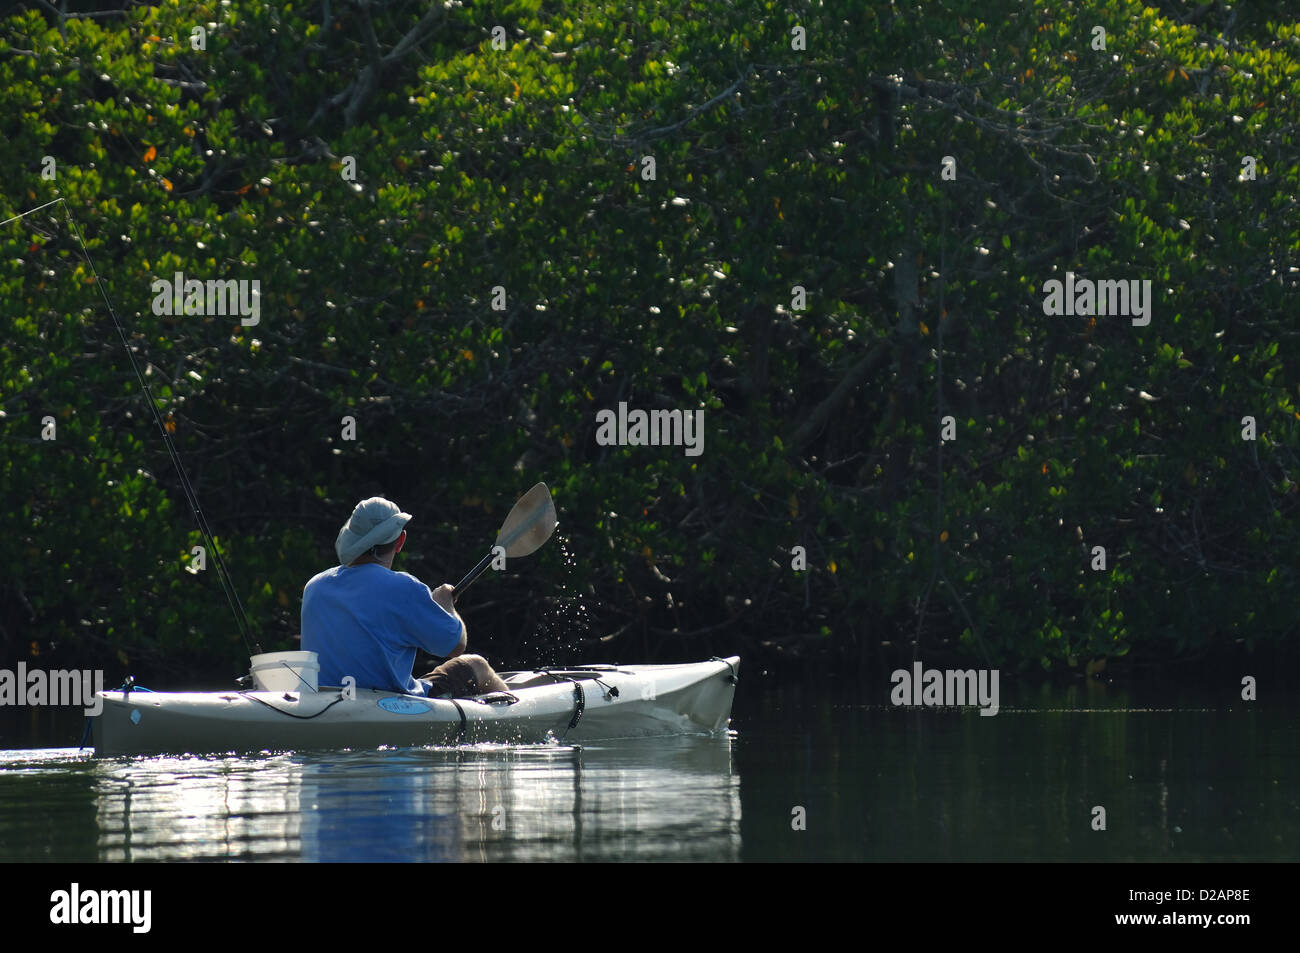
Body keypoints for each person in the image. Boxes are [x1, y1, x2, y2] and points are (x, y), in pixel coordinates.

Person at [301, 497, 508, 698]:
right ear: (400, 541)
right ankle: (522, 717)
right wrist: (446, 606)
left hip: (324, 705)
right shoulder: (404, 587)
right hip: (384, 707)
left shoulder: (315, 586)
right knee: (476, 664)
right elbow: (455, 646)